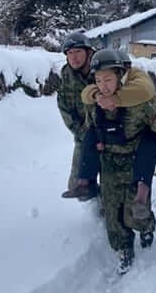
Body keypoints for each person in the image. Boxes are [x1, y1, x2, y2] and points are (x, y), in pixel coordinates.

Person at [84, 49, 156, 274]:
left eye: (108, 79)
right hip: (110, 162)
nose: (103, 85)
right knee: (112, 214)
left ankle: (146, 229)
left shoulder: (141, 100)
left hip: (135, 161)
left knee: (136, 211)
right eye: (98, 80)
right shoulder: (95, 101)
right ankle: (123, 248)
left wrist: (152, 153)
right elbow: (90, 125)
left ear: (121, 75)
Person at [62, 50, 156, 202]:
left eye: (125, 68)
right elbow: (87, 92)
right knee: (90, 143)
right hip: (98, 132)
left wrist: (115, 99)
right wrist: (97, 95)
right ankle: (87, 188)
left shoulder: (136, 76)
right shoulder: (98, 76)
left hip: (131, 137)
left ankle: (141, 191)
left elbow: (145, 90)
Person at [56, 32, 97, 195]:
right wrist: (81, 132)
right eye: (70, 53)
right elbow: (64, 108)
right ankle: (93, 199)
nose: (74, 57)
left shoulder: (103, 69)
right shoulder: (67, 77)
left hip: (110, 134)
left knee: (115, 186)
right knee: (77, 185)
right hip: (83, 134)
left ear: (88, 53)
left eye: (78, 52)